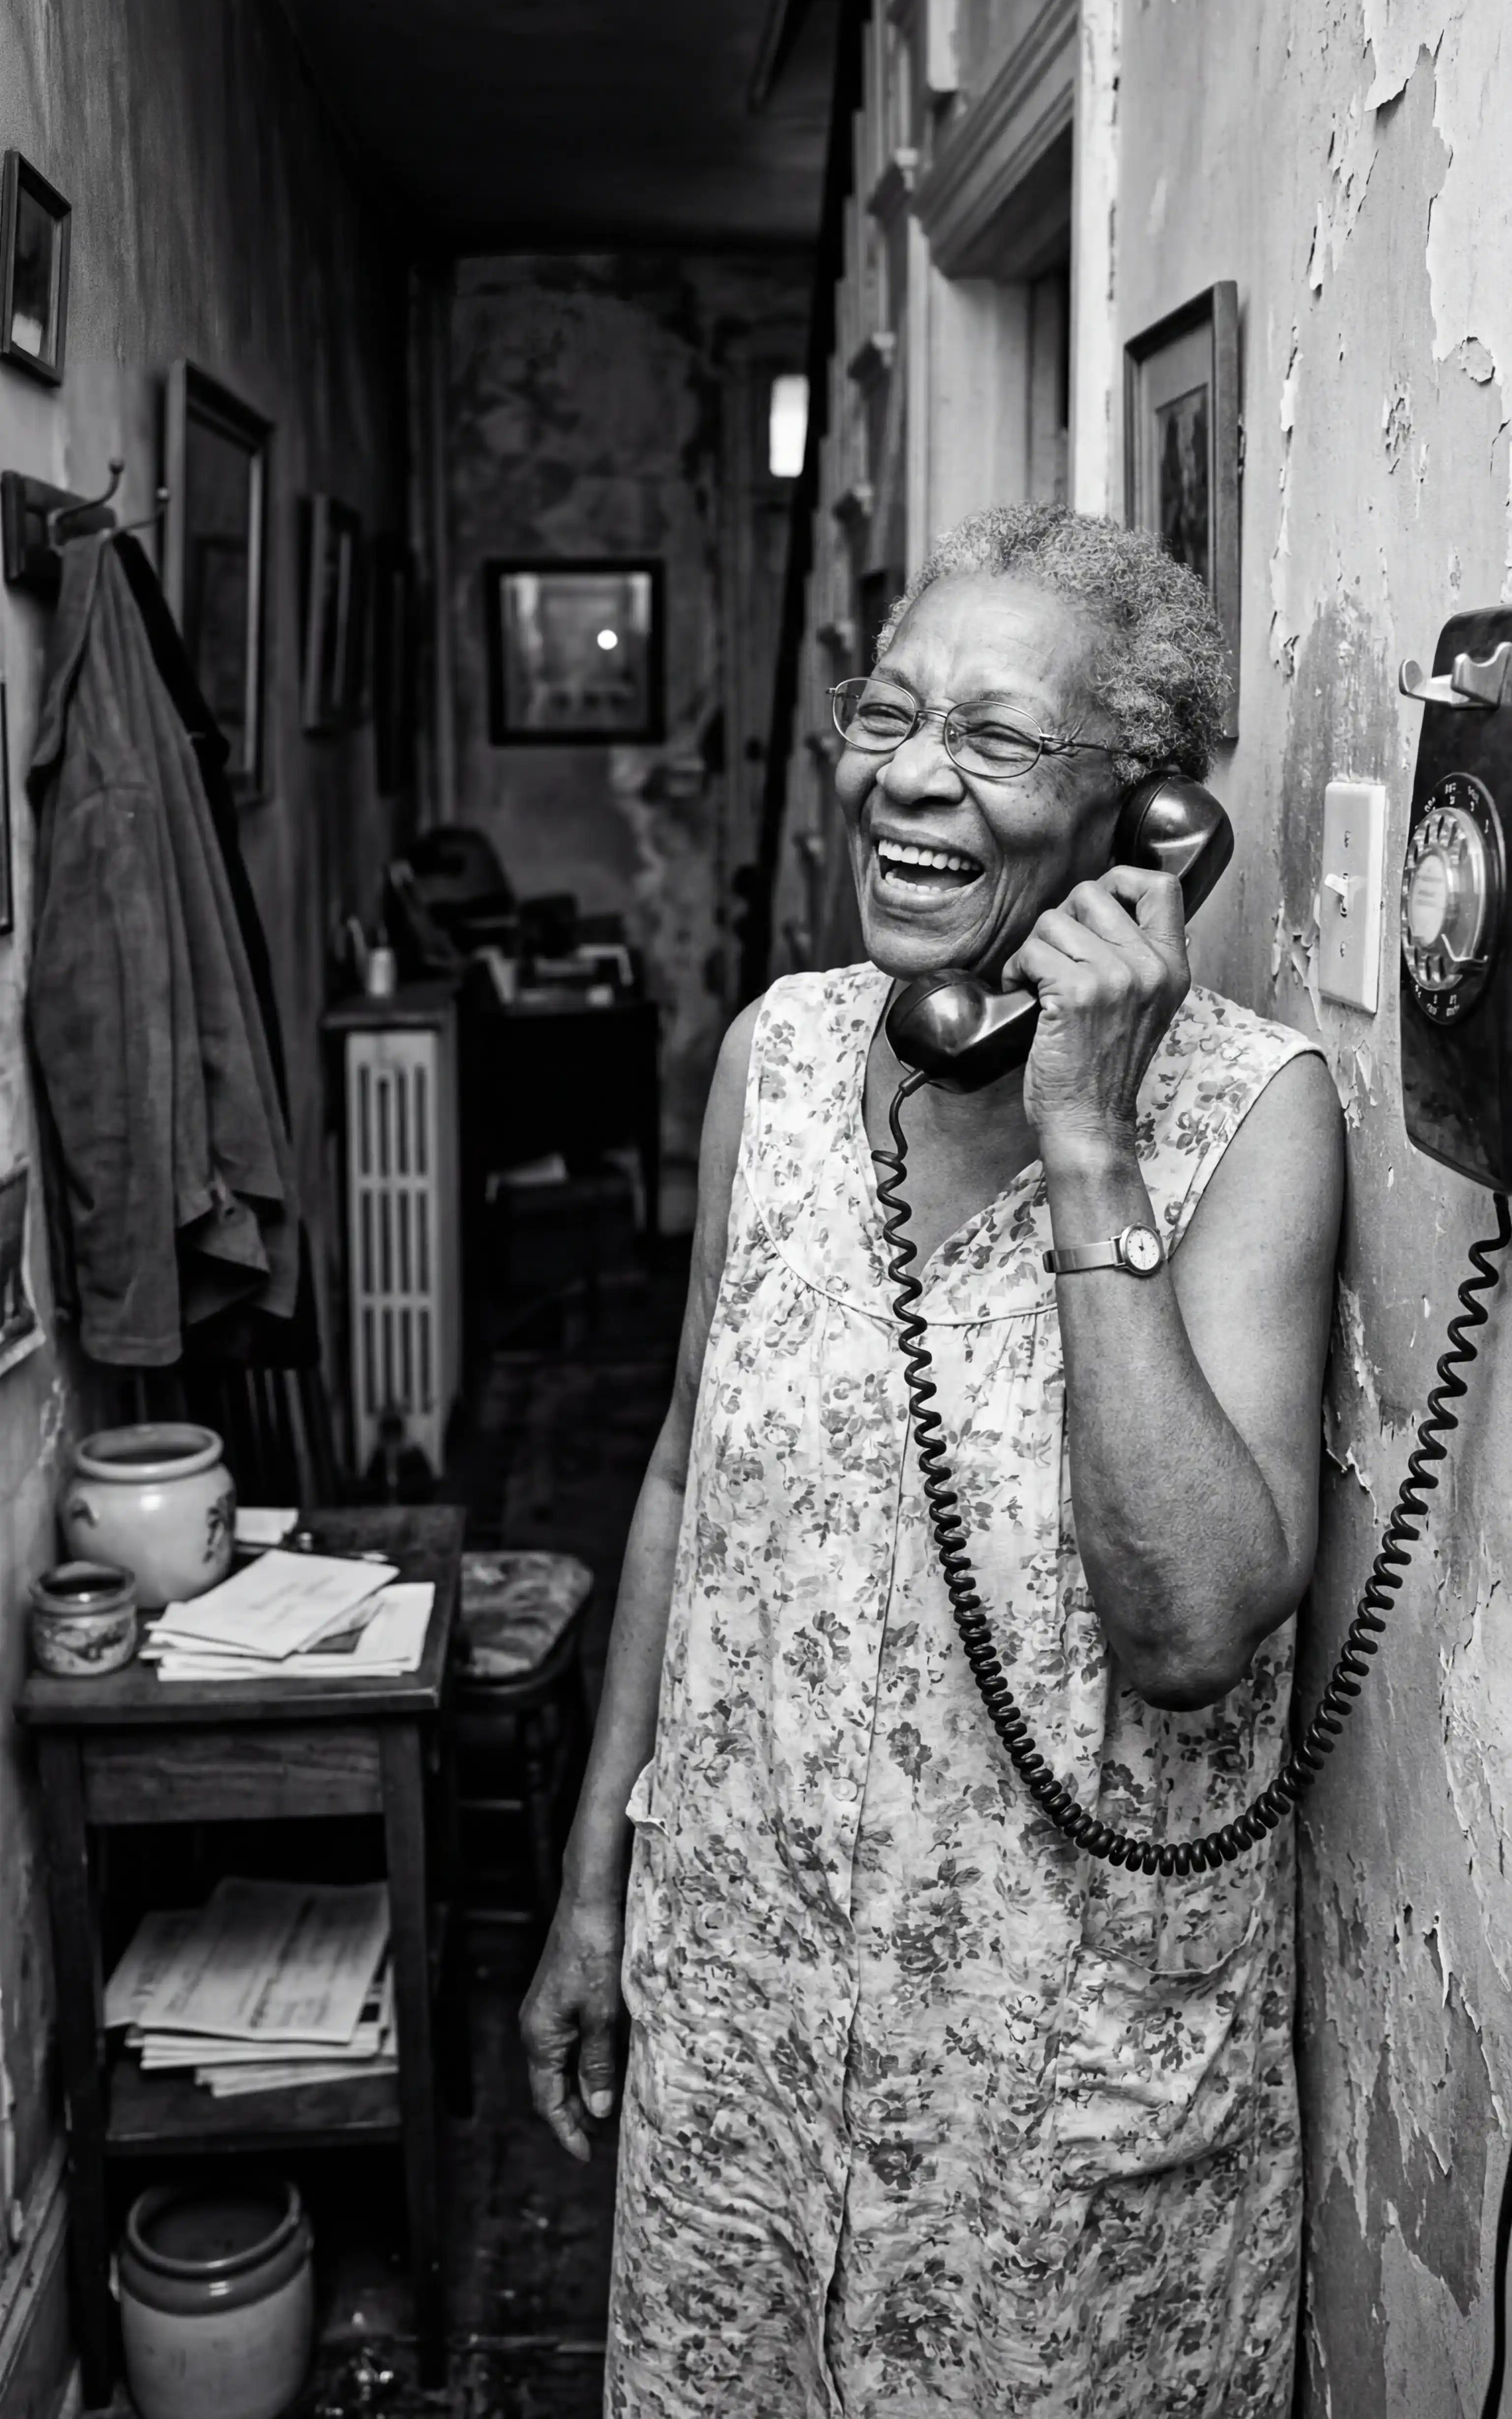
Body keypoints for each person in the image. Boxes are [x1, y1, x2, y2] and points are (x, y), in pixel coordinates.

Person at [522, 506, 1343, 2417]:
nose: (906, 773)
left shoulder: (1256, 1118)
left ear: (1146, 815)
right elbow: (681, 1479)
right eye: (887, 714)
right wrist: (593, 1886)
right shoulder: (778, 1058)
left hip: (1047, 2114)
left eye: (993, 737)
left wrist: (1087, 1137)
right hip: (746, 2025)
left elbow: (1195, 1629)